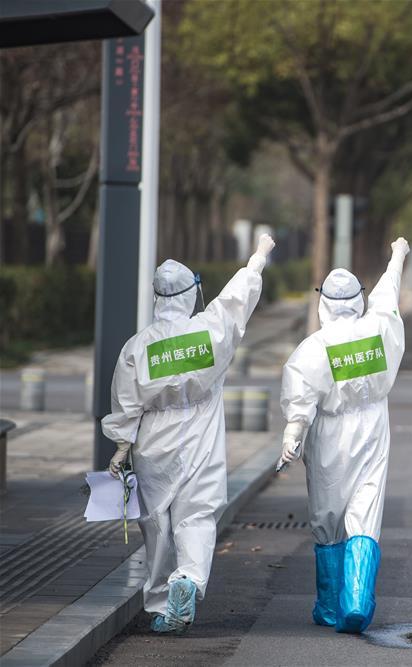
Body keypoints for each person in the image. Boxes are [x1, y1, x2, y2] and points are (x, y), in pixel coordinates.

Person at [102, 234, 276, 633]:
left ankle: (164, 600)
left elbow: (126, 401)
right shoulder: (209, 330)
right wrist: (258, 257)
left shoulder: (138, 346)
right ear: (189, 294)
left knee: (156, 519)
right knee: (196, 513)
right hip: (200, 430)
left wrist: (120, 447)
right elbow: (236, 299)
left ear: (158, 297)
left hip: (153, 439)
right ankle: (189, 579)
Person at [279, 238, 409, 634]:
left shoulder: (314, 347)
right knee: (365, 511)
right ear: (358, 299)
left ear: (323, 303)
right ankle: (357, 599)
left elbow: (300, 396)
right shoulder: (378, 329)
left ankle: (332, 606)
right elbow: (387, 294)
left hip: (329, 434)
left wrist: (292, 435)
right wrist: (397, 256)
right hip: (372, 426)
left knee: (328, 517)